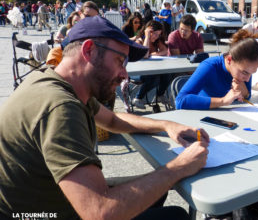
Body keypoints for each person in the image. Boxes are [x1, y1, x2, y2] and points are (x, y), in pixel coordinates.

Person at [0, 15, 209, 220]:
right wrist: (179, 167)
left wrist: (167, 125)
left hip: (50, 200)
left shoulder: (55, 79)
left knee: (158, 188)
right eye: (120, 61)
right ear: (88, 50)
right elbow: (99, 212)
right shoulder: (61, 108)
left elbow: (112, 120)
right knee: (176, 215)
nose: (125, 74)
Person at [176, 30, 258, 110]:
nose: (248, 79)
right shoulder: (209, 66)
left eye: (251, 73)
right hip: (203, 117)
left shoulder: (245, 70)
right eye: (245, 73)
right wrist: (223, 101)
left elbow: (247, 96)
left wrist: (243, 91)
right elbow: (180, 101)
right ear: (229, 60)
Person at [132, 20, 170, 109]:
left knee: (167, 73)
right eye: (155, 34)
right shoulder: (139, 41)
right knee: (155, 78)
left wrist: (153, 54)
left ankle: (160, 95)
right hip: (137, 72)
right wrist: (147, 36)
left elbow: (165, 51)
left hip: (151, 70)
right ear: (148, 31)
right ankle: (138, 98)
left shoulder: (156, 41)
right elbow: (145, 55)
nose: (157, 37)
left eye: (158, 35)